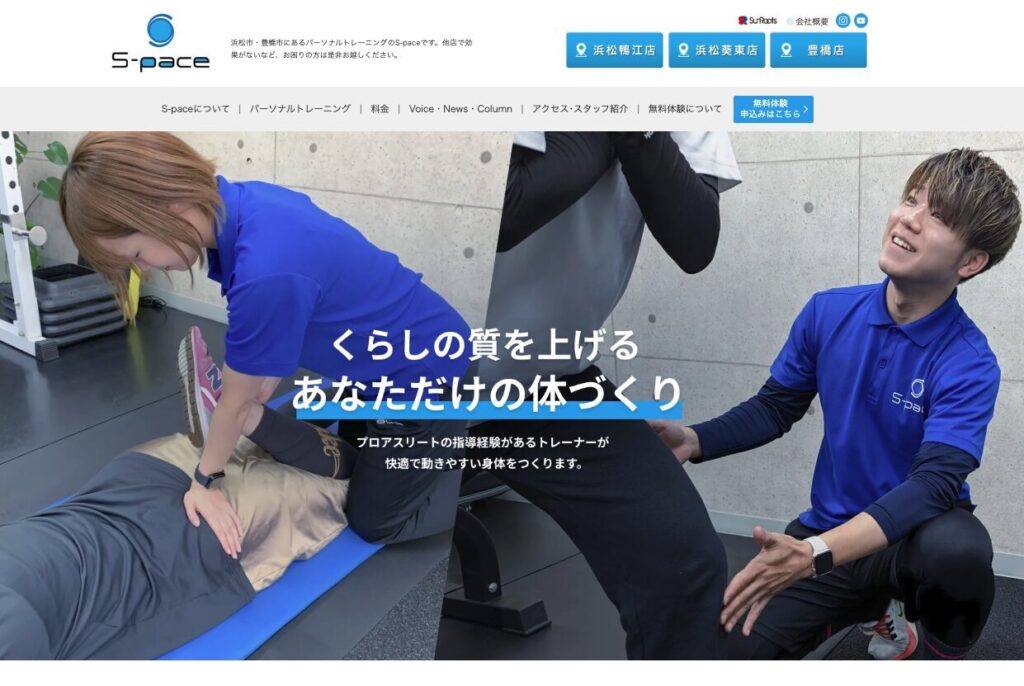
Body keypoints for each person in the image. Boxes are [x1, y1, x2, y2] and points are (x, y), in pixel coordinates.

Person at [652, 148, 1020, 659]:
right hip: (830, 530)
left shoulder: (969, 361)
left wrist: (813, 555)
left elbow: (933, 484)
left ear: (971, 262)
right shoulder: (828, 312)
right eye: (911, 199)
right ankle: (872, 609)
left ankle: (935, 651)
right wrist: (695, 439)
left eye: (937, 216)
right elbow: (775, 407)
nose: (908, 219)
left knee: (959, 552)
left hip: (911, 543)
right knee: (725, 653)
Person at [59, 132, 470, 556]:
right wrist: (251, 386)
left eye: (137, 255)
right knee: (343, 458)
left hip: (427, 378)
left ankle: (465, 483)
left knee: (373, 521)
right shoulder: (248, 202)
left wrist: (204, 482)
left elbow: (271, 300)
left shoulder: (265, 270)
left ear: (168, 206)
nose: (145, 269)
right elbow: (297, 306)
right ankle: (256, 417)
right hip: (379, 361)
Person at [469, 132, 742, 659]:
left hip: (549, 381)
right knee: (361, 573)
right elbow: (495, 213)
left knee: (681, 561)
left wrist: (636, 125)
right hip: (409, 372)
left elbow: (695, 244)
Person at [0, 331, 363, 659]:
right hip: (136, 474)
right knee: (242, 440)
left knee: (345, 481)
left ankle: (253, 414)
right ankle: (258, 413)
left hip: (184, 540)